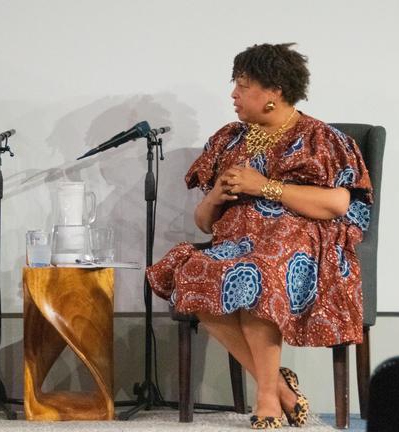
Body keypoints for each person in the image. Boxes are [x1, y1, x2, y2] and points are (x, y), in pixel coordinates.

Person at [147, 43, 372, 429]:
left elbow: (336, 204)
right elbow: (203, 222)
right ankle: (280, 388)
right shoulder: (228, 140)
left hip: (297, 246)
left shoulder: (322, 139)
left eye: (242, 85)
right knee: (192, 270)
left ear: (274, 92)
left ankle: (267, 397)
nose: (233, 94)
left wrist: (263, 185)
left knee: (259, 272)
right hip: (233, 244)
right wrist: (217, 194)